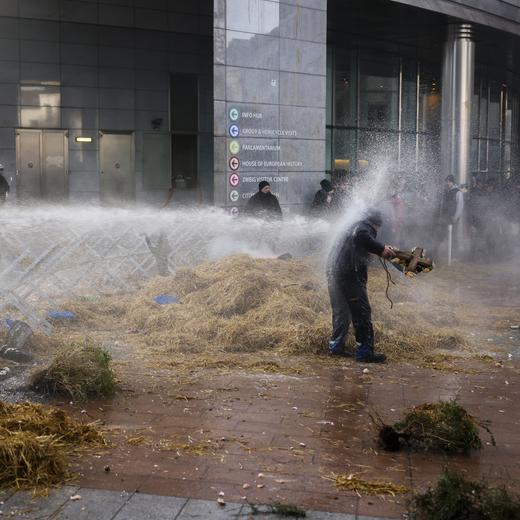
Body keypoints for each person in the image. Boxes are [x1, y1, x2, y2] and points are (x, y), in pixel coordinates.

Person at [326, 210, 395, 363]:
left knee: (341, 310)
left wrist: (379, 247)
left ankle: (336, 346)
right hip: (349, 274)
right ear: (376, 224)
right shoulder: (364, 227)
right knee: (362, 312)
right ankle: (364, 352)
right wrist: (380, 249)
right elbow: (361, 236)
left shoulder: (351, 226)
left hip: (333, 271)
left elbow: (359, 243)